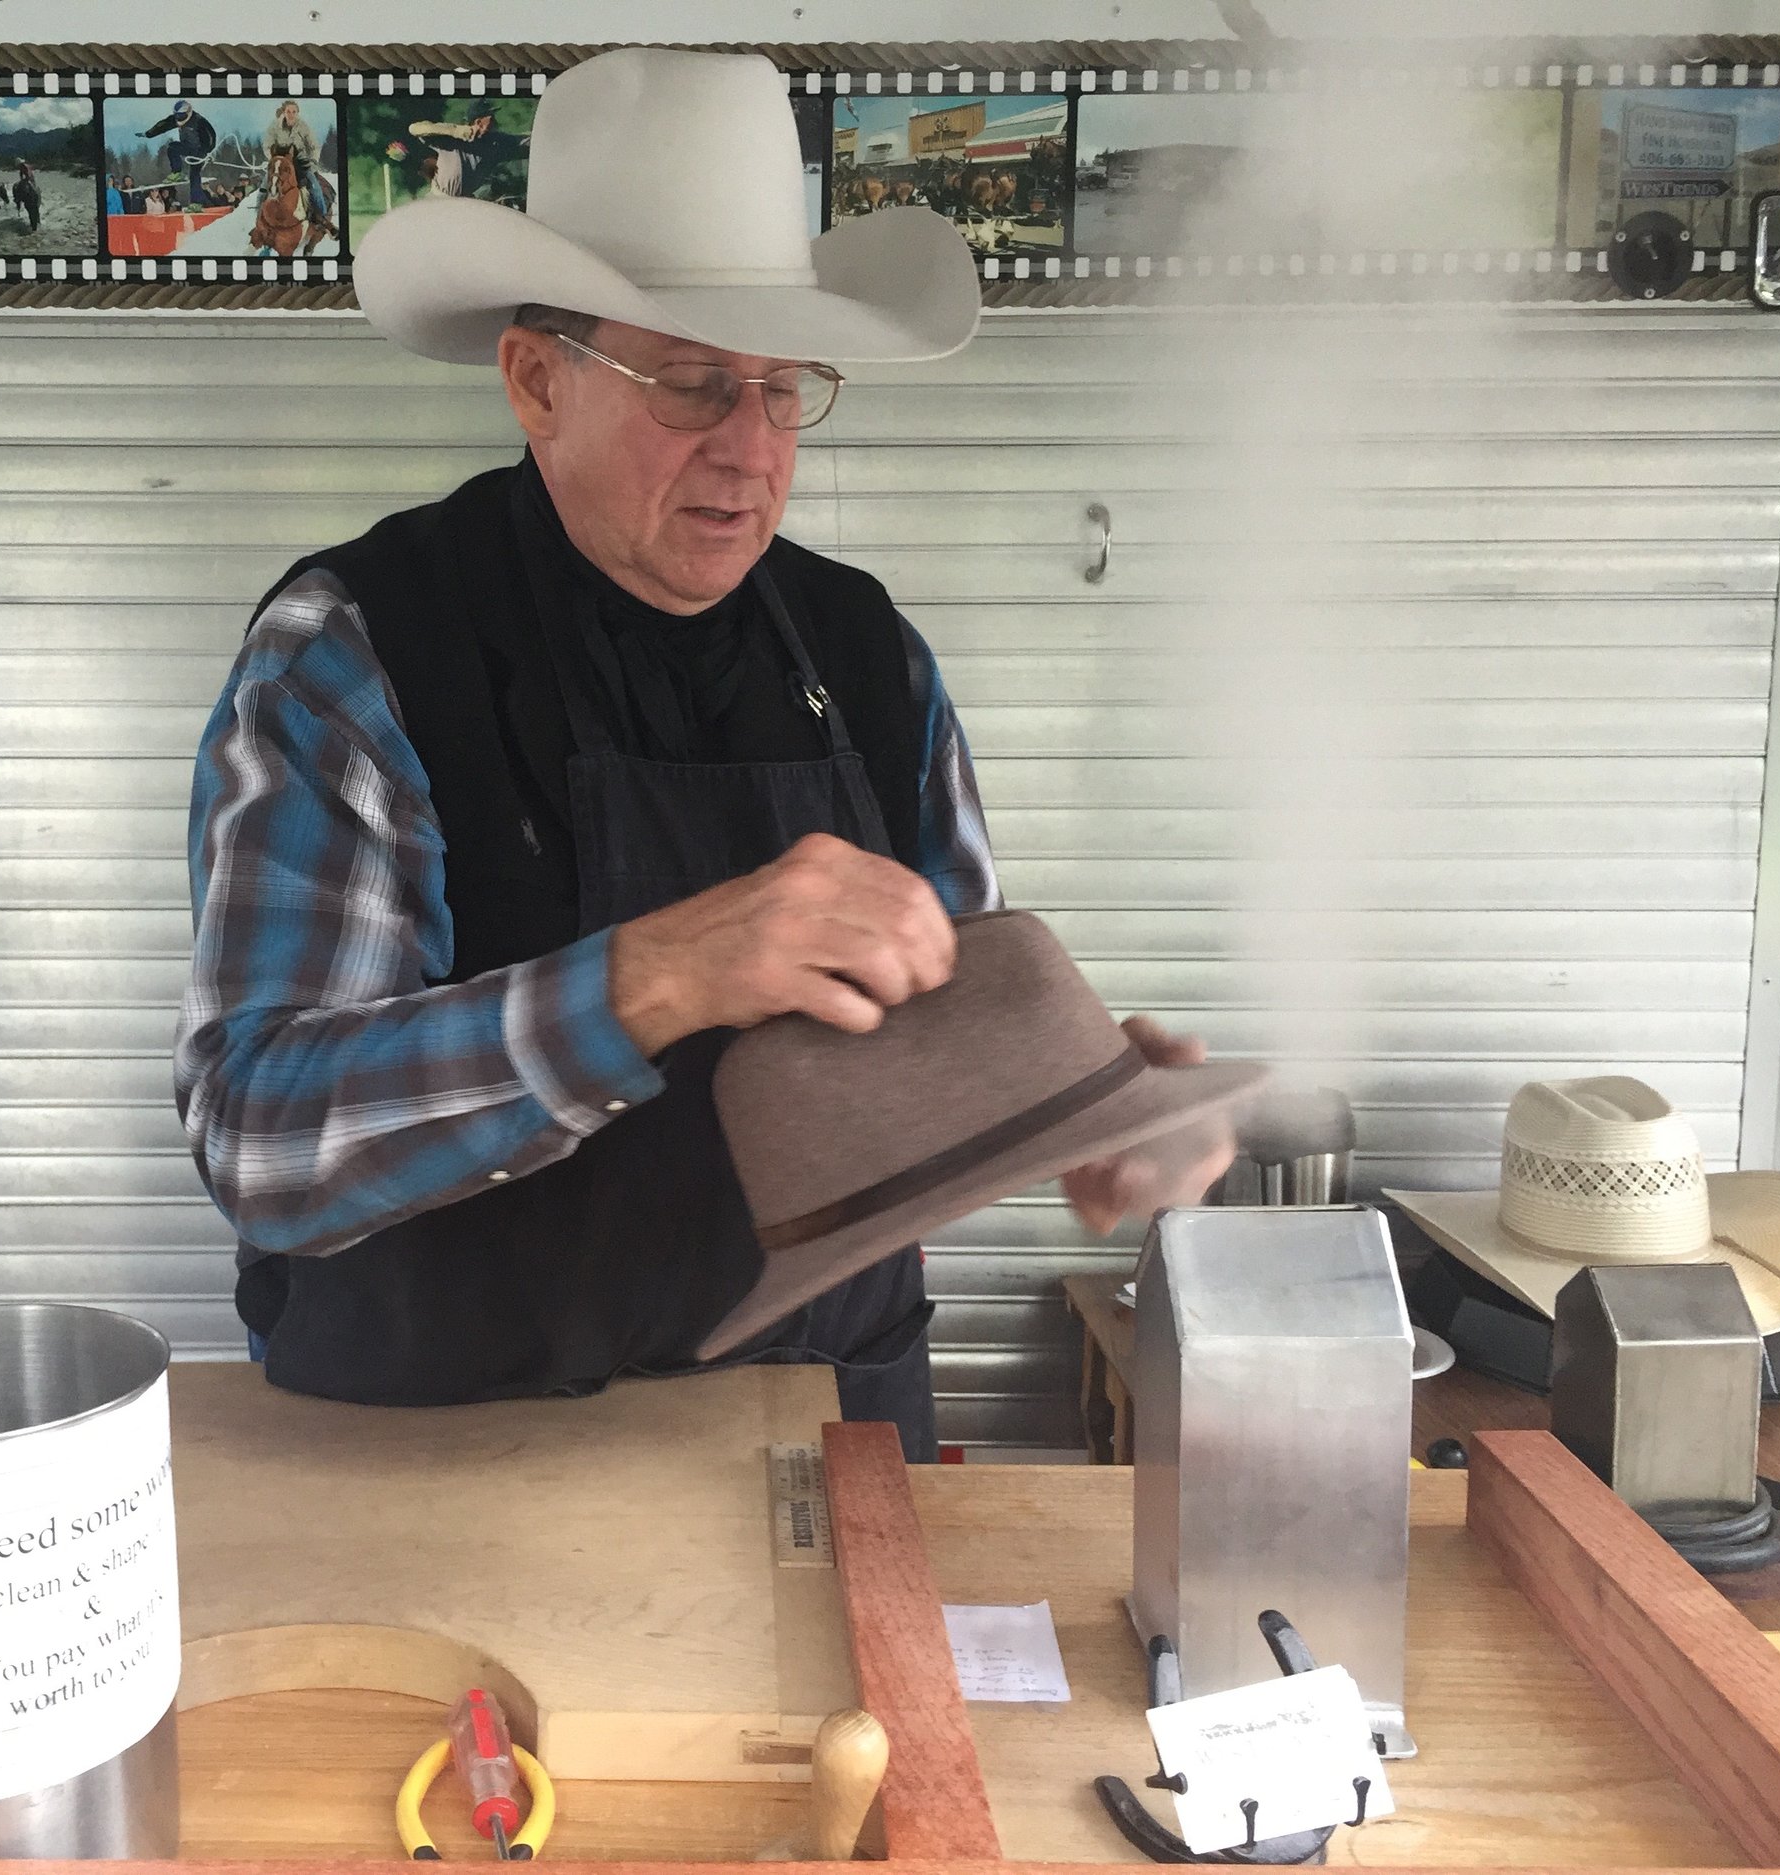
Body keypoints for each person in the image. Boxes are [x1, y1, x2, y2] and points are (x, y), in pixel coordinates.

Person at [175, 49, 1231, 1456]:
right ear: (536, 381)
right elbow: (263, 1139)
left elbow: (940, 1040)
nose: (751, 451)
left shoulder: (870, 660)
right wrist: (659, 973)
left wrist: (1083, 1105)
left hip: (824, 1420)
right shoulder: (357, 654)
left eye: (785, 389)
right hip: (448, 1447)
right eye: (690, 384)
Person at [399, 108, 530, 200]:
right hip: (438, 202)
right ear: (479, 122)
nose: (495, 122)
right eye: (490, 118)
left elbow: (527, 143)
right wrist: (455, 131)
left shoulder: (496, 143)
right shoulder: (452, 138)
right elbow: (414, 129)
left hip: (465, 205)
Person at [263, 98, 332, 232]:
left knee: (314, 186)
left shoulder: (303, 126)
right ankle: (260, 219)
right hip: (280, 162)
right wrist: (274, 159)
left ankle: (322, 219)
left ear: (298, 113)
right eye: (289, 111)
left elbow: (314, 146)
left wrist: (313, 161)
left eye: (294, 111)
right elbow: (267, 145)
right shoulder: (274, 126)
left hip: (301, 163)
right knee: (263, 187)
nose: (291, 114)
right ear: (284, 112)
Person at [142, 100, 218, 206]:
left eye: (181, 116)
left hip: (199, 151)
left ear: (188, 112)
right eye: (177, 116)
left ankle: (197, 203)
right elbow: (163, 125)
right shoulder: (176, 119)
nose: (179, 119)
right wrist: (148, 134)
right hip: (187, 147)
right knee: (172, 147)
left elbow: (211, 136)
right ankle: (177, 172)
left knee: (194, 175)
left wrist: (208, 151)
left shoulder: (199, 121)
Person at [12, 158, 41, 235]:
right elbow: (21, 176)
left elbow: (28, 176)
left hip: (30, 180)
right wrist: (21, 180)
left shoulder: (25, 167)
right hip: (28, 180)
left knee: (29, 190)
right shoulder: (21, 168)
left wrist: (23, 181)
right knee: (18, 186)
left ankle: (18, 199)